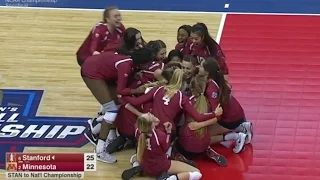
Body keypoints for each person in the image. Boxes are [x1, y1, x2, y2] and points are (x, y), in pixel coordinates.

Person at [81, 48, 153, 163]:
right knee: (111, 111)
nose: (150, 65)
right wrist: (137, 90)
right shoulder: (126, 66)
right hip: (91, 72)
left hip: (98, 68)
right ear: (142, 63)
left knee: (117, 104)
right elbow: (121, 91)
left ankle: (96, 127)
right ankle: (99, 151)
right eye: (149, 63)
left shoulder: (132, 64)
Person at [188, 57, 253, 154]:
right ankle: (241, 127)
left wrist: (199, 125)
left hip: (231, 119)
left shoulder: (211, 90)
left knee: (201, 137)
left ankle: (237, 137)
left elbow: (217, 116)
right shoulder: (215, 79)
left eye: (201, 66)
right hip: (236, 113)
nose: (198, 67)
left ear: (207, 72)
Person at [131, 113, 203, 180]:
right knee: (197, 172)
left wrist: (153, 122)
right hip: (160, 166)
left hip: (145, 165)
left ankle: (136, 164)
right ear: (151, 124)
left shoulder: (138, 132)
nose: (149, 113)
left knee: (139, 156)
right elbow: (166, 149)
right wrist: (168, 132)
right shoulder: (160, 135)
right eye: (148, 115)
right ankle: (170, 179)